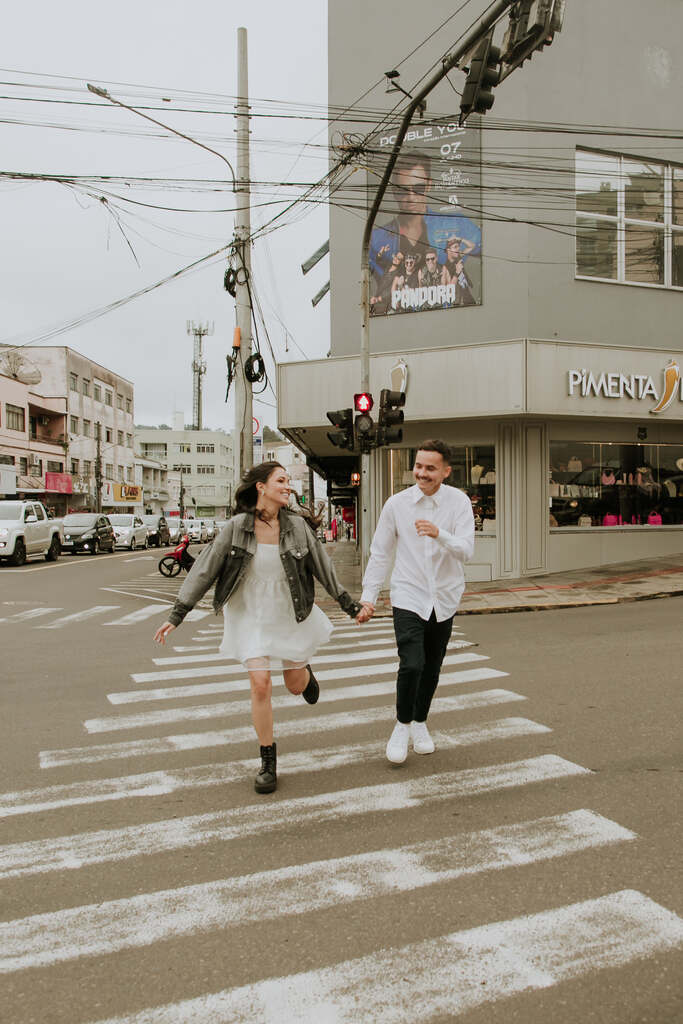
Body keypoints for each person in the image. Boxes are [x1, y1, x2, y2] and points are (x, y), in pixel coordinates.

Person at [153, 462, 361, 794]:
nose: (287, 486)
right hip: (249, 612)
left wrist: (350, 605)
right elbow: (205, 570)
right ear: (261, 487)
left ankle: (304, 671)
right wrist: (177, 614)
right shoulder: (237, 527)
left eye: (288, 481)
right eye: (281, 480)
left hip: (289, 609)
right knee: (261, 684)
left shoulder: (296, 527)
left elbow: (323, 567)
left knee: (294, 686)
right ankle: (267, 760)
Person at [357, 440, 475, 764]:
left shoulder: (459, 502)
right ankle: (402, 724)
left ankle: (420, 722)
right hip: (408, 593)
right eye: (418, 466)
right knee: (412, 663)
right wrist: (368, 598)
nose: (421, 473)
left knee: (433, 667)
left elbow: (467, 550)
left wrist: (440, 534)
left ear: (445, 471)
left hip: (445, 596)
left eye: (430, 468)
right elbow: (380, 553)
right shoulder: (396, 505)